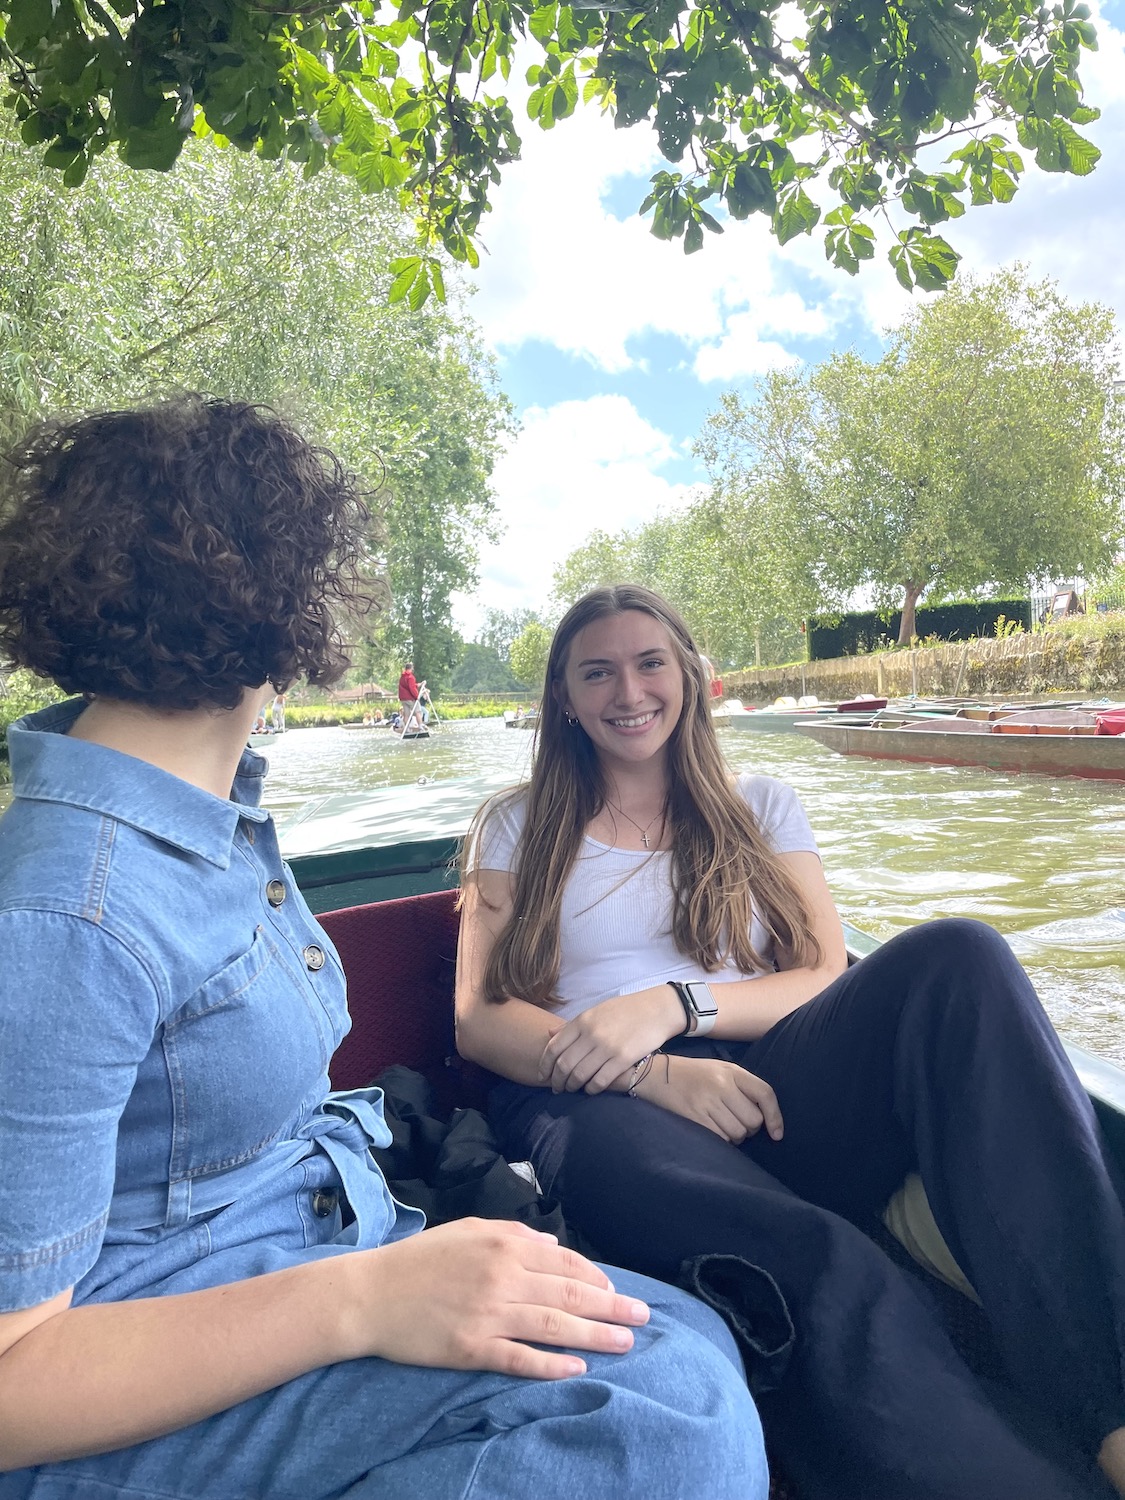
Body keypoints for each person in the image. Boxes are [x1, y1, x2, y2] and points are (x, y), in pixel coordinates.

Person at [0, 407, 767, 1500]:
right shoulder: (72, 915)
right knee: (665, 1414)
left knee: (687, 1335)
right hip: (144, 1361)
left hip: (306, 1231)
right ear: (283, 610)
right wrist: (364, 1301)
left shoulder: (208, 821)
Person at [456, 582, 1125, 1500]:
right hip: (594, 1096)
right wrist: (648, 1075)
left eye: (650, 663)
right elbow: (481, 1018)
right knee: (826, 1258)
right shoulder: (515, 820)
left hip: (765, 1071)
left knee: (959, 954)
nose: (628, 692)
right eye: (596, 672)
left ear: (689, 676)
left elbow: (821, 973)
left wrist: (675, 1005)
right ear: (564, 699)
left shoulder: (760, 805)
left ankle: (1111, 1416)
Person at [397, 662, 426, 731]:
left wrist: (419, 685)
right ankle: (420, 726)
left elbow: (409, 686)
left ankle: (406, 728)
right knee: (418, 711)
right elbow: (412, 688)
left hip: (403, 699)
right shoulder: (410, 677)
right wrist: (417, 697)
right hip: (410, 698)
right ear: (411, 668)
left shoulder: (402, 677)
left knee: (407, 714)